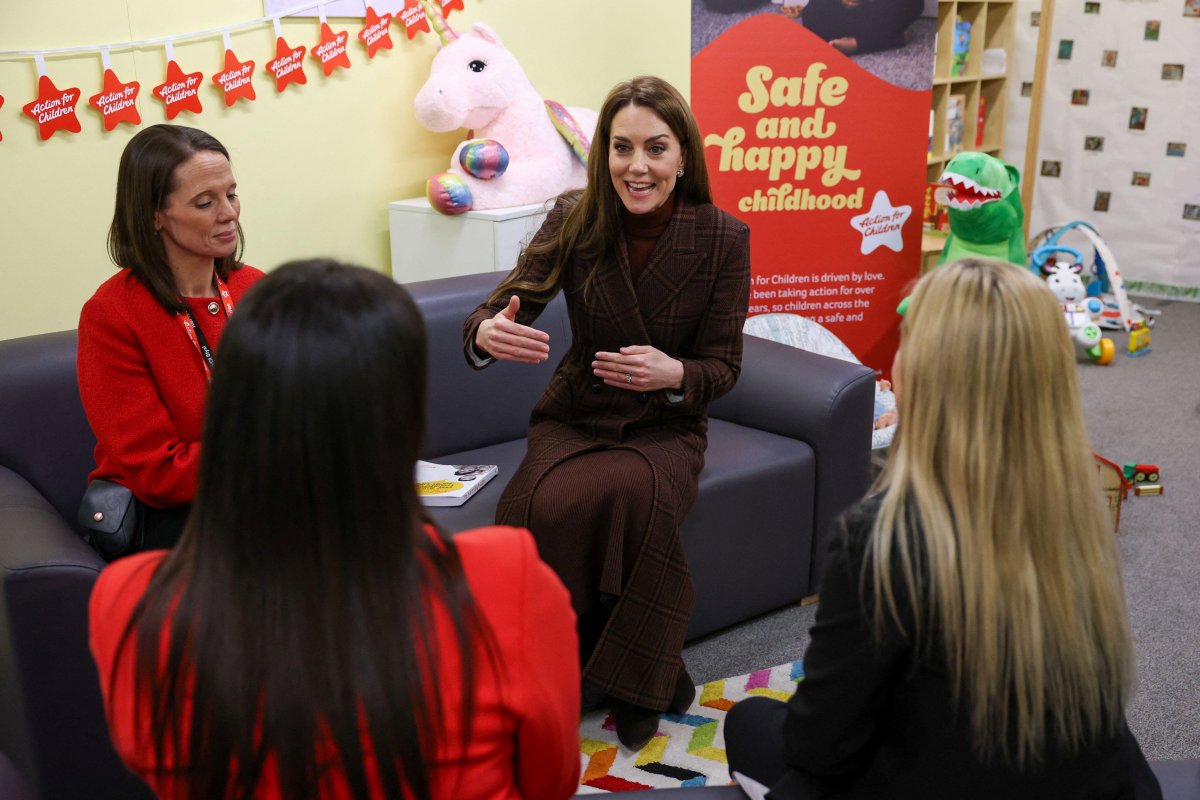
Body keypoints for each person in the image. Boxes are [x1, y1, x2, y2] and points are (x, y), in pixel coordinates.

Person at [88, 260, 581, 799]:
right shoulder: (507, 580)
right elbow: (550, 781)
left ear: (232, 414)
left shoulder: (127, 603)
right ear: (402, 421)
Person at [724, 259, 1161, 799]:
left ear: (932, 374)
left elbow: (820, 746)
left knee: (747, 723)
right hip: (1097, 783)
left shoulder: (882, 536)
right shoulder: (1075, 514)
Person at [463, 75, 751, 750]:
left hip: (667, 425)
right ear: (604, 154)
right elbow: (503, 303)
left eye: (655, 148)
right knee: (529, 513)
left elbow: (724, 368)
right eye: (622, 148)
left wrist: (674, 373)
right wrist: (484, 332)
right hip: (577, 415)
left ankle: (634, 685)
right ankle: (647, 668)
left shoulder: (723, 238)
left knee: (636, 494)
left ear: (683, 154)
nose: (637, 166)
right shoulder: (574, 216)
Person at [77, 124, 265, 551]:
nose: (229, 212)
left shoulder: (255, 289)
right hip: (175, 517)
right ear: (153, 216)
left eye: (231, 194)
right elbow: (157, 474)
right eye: (205, 202)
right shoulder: (111, 315)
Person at [785, 0, 924, 55]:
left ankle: (858, 44)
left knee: (909, 4)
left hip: (882, 5)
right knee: (812, 15)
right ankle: (891, 37)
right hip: (856, 13)